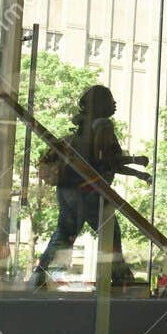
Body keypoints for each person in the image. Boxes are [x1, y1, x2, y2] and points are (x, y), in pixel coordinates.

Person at [30, 85, 137, 289]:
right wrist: (134, 162)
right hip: (89, 190)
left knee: (64, 232)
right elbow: (104, 158)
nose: (115, 104)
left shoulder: (82, 127)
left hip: (68, 189)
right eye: (111, 99)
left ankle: (41, 275)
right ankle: (120, 276)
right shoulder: (103, 125)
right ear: (101, 104)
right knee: (110, 232)